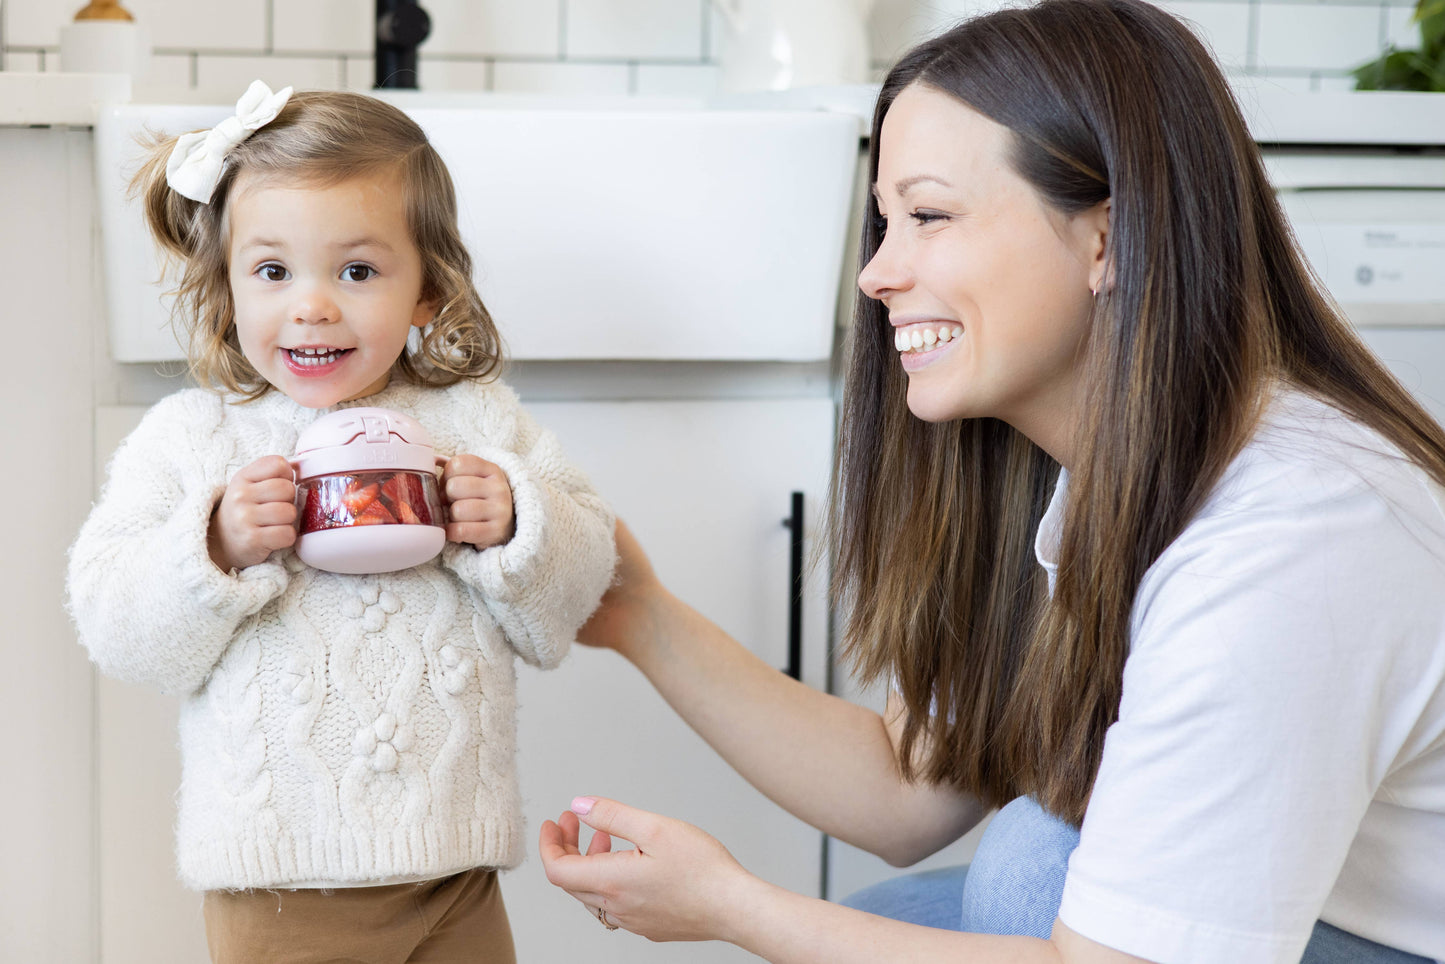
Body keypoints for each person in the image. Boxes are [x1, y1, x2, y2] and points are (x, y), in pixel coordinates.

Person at [536, 1, 1445, 962]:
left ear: (1108, 238)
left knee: (1026, 870)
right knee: (940, 894)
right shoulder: (1102, 473)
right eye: (884, 223)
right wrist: (640, 614)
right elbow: (903, 787)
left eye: (928, 215)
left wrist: (733, 911)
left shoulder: (1289, 541)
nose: (877, 274)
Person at [66, 81, 616, 964]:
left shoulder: (480, 424)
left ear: (428, 290)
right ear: (228, 286)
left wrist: (518, 521)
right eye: (273, 271)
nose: (312, 305)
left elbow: (577, 592)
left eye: (356, 271)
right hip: (276, 889)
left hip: (455, 876)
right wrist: (213, 545)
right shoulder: (192, 440)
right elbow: (114, 628)